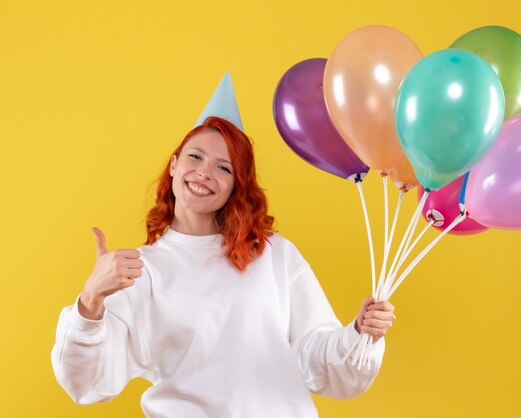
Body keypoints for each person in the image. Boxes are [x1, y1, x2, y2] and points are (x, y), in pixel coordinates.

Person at [51, 73, 396, 418]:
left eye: (223, 167)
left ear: (236, 186)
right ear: (174, 165)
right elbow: (86, 381)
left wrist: (359, 332)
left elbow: (318, 358)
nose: (204, 173)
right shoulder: (140, 270)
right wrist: (90, 300)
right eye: (196, 157)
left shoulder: (273, 254)